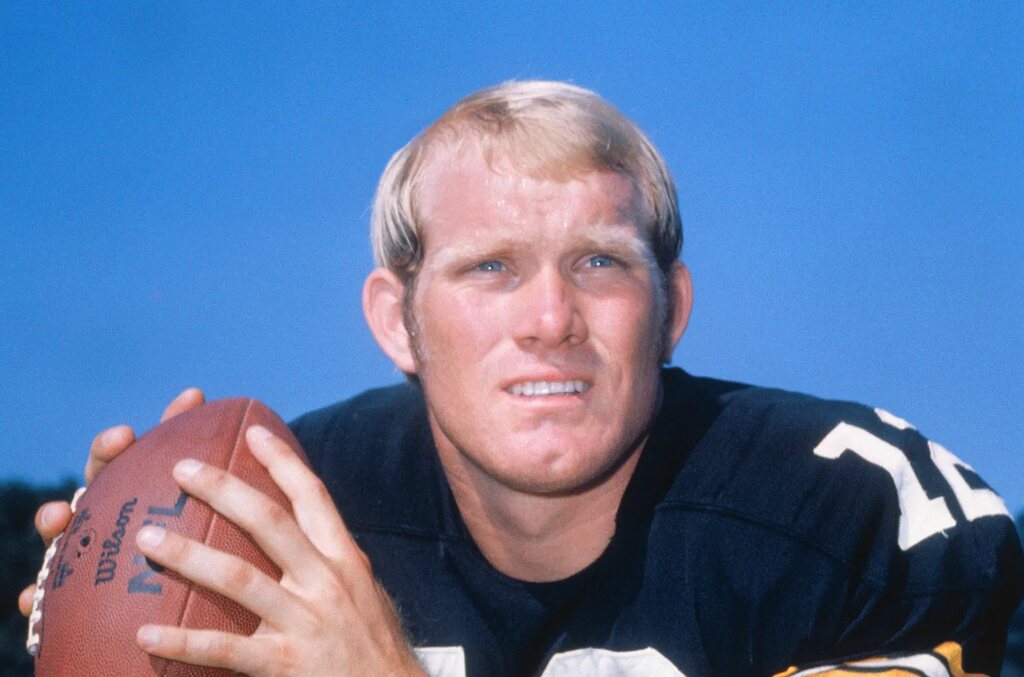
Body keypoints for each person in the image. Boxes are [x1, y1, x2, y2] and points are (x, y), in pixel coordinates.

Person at [19, 81, 1024, 676]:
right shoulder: (297, 516)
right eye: (487, 267)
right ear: (395, 321)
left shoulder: (844, 517)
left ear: (671, 307)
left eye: (599, 261)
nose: (550, 320)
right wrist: (110, 601)